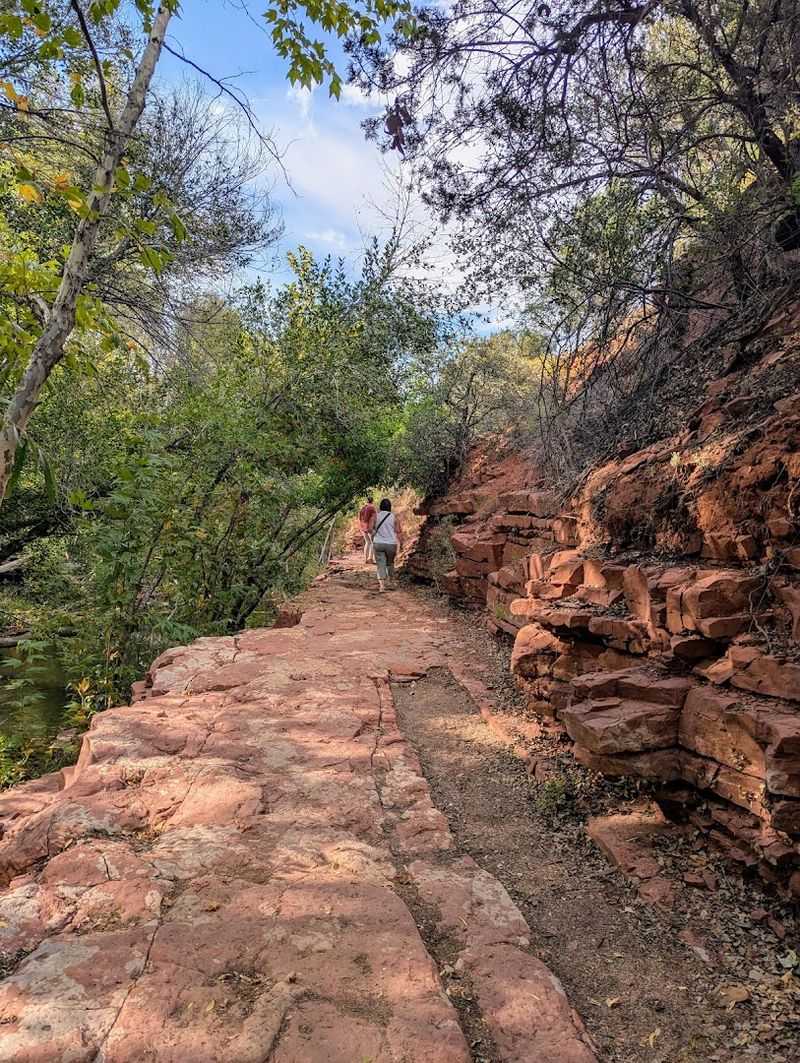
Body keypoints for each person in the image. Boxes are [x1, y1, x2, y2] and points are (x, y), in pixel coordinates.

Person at [370, 497, 404, 591]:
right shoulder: (394, 517)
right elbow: (398, 532)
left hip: (378, 543)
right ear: (390, 507)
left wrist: (374, 533)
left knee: (380, 564)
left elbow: (369, 529)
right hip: (391, 544)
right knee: (390, 563)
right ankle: (392, 582)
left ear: (380, 507)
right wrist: (401, 544)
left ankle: (382, 586)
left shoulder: (375, 516)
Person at [358, 493, 377, 563]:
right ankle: (370, 559)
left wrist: (362, 527)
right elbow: (374, 518)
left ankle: (366, 559)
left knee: (367, 542)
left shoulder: (362, 508)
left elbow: (359, 518)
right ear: (372, 501)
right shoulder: (372, 508)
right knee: (373, 543)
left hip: (363, 528)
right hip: (369, 527)